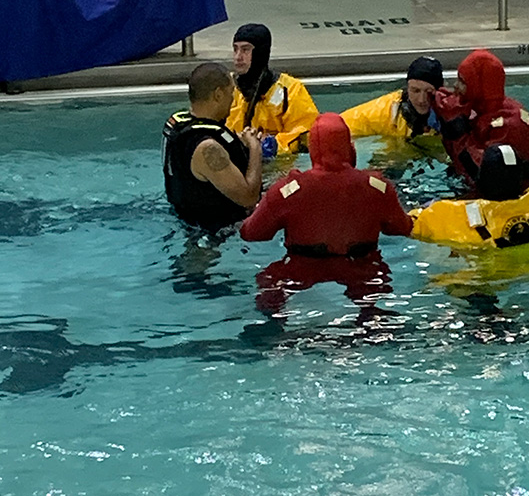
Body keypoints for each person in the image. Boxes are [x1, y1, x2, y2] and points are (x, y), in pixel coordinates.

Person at [240, 113, 412, 310]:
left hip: (300, 266)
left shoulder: (287, 190)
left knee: (269, 290)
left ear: (313, 148)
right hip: (362, 266)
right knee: (374, 303)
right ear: (349, 147)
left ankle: (272, 333)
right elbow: (402, 227)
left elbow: (252, 234)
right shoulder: (378, 187)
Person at [163, 62, 262, 233]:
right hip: (213, 232)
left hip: (184, 218)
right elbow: (248, 198)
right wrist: (255, 148)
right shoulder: (208, 148)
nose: (232, 102)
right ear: (218, 95)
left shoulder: (178, 124)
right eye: (231, 94)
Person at [432, 48, 529, 199]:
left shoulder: (510, 124)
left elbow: (484, 176)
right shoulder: (483, 107)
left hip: (506, 196)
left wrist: (457, 132)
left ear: (479, 85)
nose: (456, 86)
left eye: (463, 82)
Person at [226, 23, 318, 154]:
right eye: (235, 49)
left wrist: (273, 146)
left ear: (260, 53)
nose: (238, 57)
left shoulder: (290, 90)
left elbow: (306, 134)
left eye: (245, 50)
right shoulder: (228, 89)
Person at [341, 55, 444, 142]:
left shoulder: (452, 113)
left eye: (429, 92)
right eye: (415, 91)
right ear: (407, 88)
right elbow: (334, 129)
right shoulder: (385, 111)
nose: (421, 99)